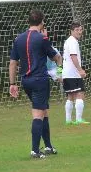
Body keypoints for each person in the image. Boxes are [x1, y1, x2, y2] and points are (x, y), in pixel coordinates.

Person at [9, 10, 63, 159]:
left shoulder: (18, 39)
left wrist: (12, 83)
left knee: (43, 111)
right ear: (42, 22)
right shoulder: (42, 38)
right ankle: (35, 150)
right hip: (40, 80)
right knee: (38, 114)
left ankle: (48, 146)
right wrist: (59, 72)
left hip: (26, 81)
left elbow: (13, 63)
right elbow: (57, 57)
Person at [62, 22, 89, 125]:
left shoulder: (68, 41)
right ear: (72, 31)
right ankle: (78, 119)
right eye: (77, 30)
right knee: (79, 94)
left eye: (81, 30)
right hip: (73, 73)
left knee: (70, 96)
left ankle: (68, 120)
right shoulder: (73, 41)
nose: (79, 32)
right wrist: (80, 70)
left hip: (67, 73)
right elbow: (73, 56)